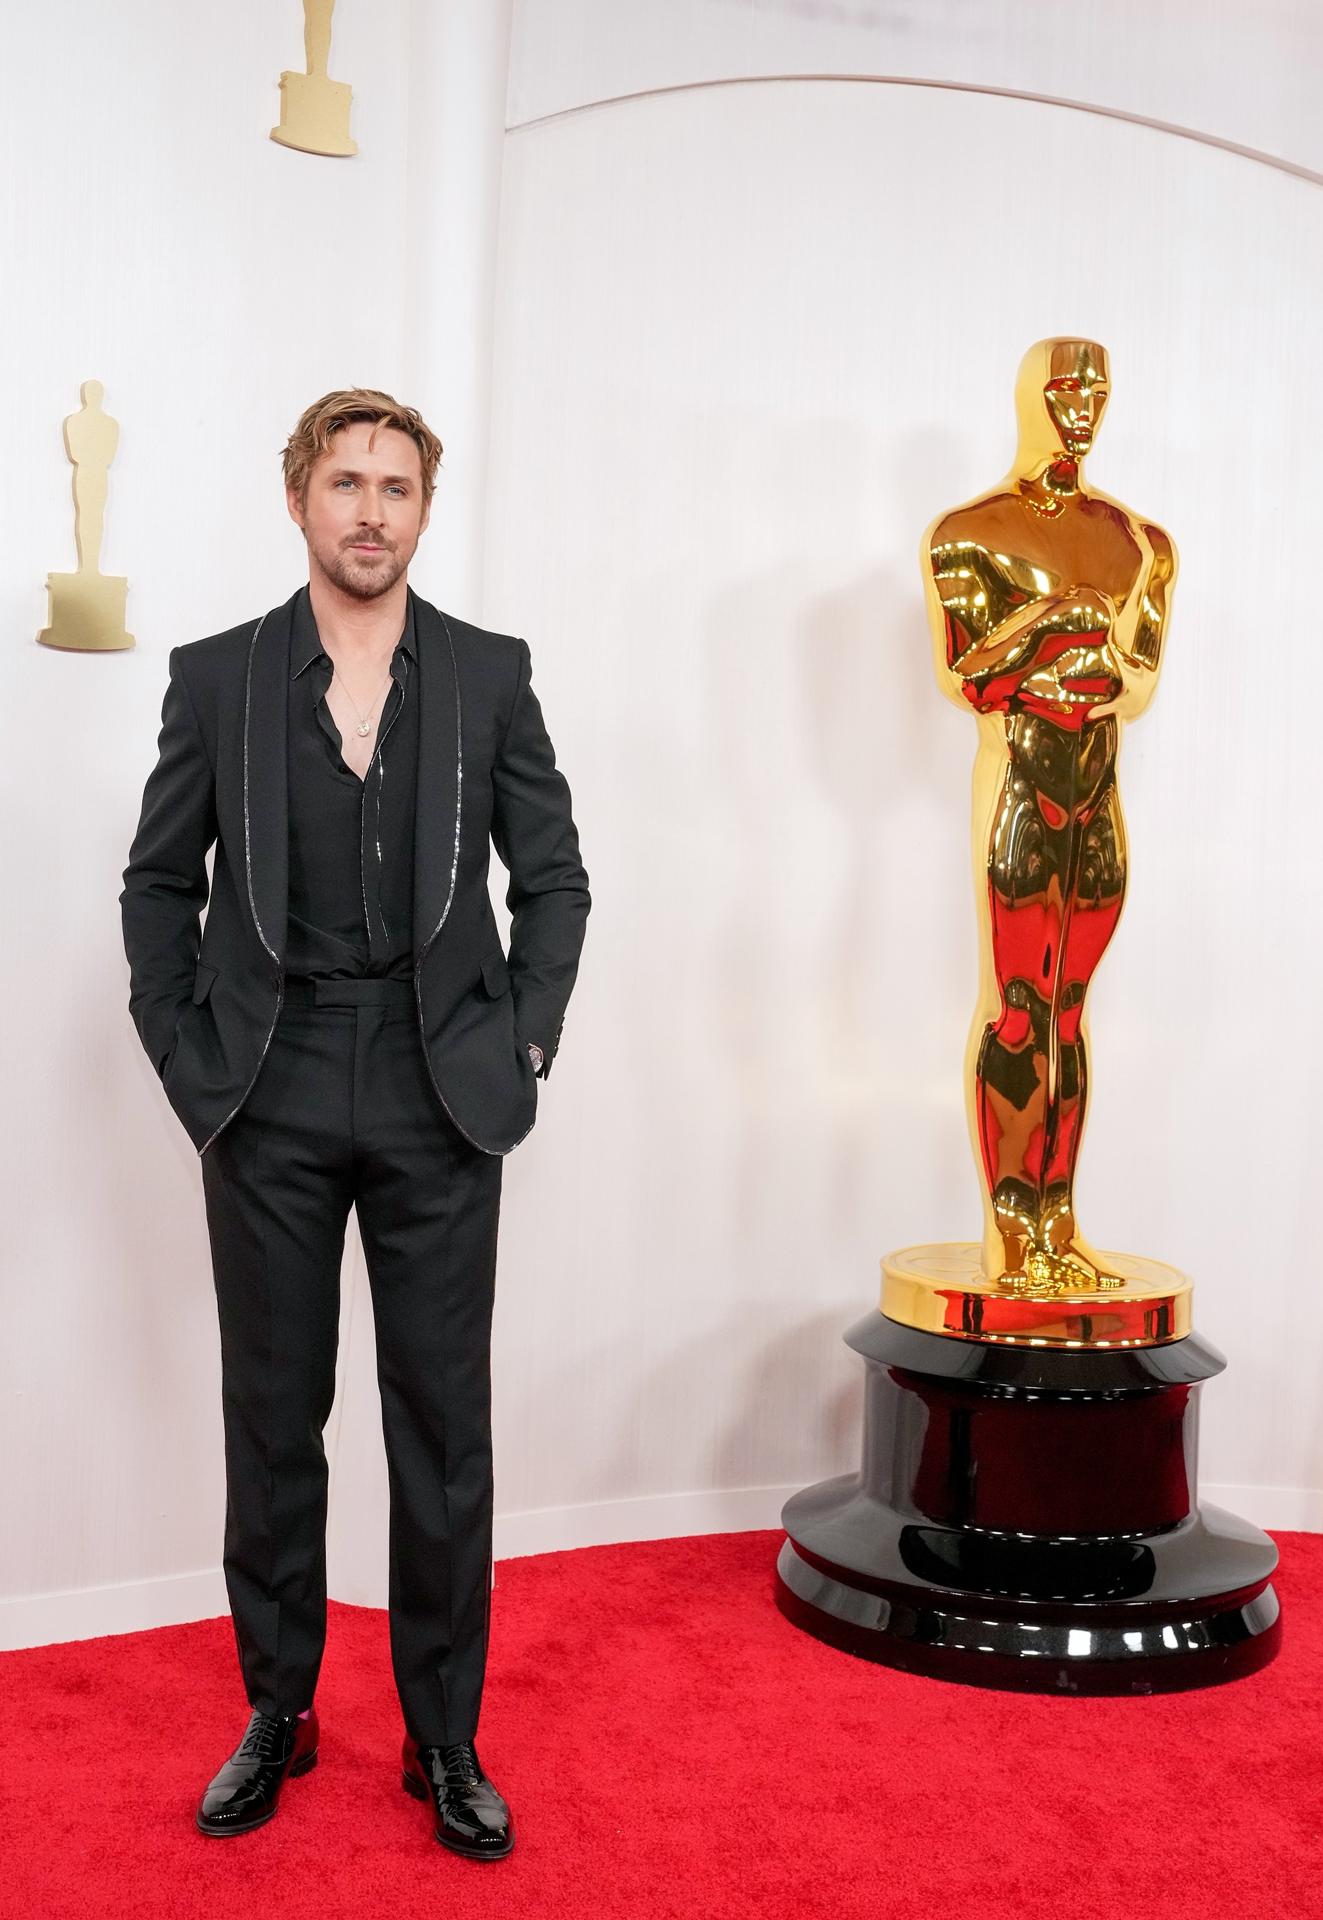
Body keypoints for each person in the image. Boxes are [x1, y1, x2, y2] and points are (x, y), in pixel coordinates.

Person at [119, 387, 590, 1857]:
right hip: (267, 1083)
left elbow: (555, 879)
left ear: (424, 510)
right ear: (299, 501)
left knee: (443, 1428)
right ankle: (279, 1711)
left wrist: (518, 1038)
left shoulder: (490, 674)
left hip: (442, 1084)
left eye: (396, 486)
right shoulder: (218, 680)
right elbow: (156, 887)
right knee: (274, 1419)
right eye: (346, 483)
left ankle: (443, 1741)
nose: (371, 509)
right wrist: (192, 1059)